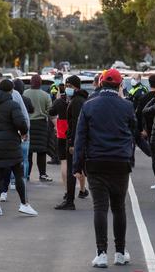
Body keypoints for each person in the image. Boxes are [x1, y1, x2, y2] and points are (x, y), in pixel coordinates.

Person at [73, 69, 133, 267]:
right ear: (119, 85)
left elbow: (80, 138)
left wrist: (78, 165)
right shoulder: (127, 106)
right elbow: (134, 132)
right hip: (119, 163)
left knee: (100, 207)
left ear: (99, 83)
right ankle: (120, 252)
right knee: (119, 208)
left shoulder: (89, 106)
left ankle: (101, 253)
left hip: (96, 162)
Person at [0, 79, 37, 216]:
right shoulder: (12, 105)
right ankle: (24, 204)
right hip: (12, 144)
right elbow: (21, 123)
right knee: (18, 174)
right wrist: (23, 134)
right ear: (11, 90)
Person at [0, 73, 32, 202]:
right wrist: (25, 131)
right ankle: (22, 201)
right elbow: (23, 117)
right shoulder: (15, 98)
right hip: (12, 136)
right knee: (16, 164)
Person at [55, 75, 90, 210]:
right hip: (78, 140)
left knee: (73, 170)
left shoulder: (76, 102)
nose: (67, 88)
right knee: (81, 169)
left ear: (76, 87)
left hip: (75, 141)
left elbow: (76, 124)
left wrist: (72, 144)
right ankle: (72, 197)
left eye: (69, 86)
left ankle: (70, 201)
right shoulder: (78, 99)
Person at [24, 74, 53, 182]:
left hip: (28, 125)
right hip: (41, 125)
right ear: (40, 83)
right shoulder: (46, 95)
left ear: (31, 82)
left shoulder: (25, 94)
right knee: (42, 151)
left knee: (29, 152)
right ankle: (42, 174)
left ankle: (26, 174)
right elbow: (50, 110)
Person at [138, 74, 155, 191]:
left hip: (150, 130)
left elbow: (138, 114)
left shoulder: (144, 98)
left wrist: (141, 129)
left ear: (149, 83)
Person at [49, 83, 69, 189]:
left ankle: (67, 189)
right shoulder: (75, 101)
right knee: (77, 163)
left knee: (64, 162)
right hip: (74, 134)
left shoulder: (58, 102)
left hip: (62, 134)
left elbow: (51, 112)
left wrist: (57, 99)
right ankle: (82, 188)